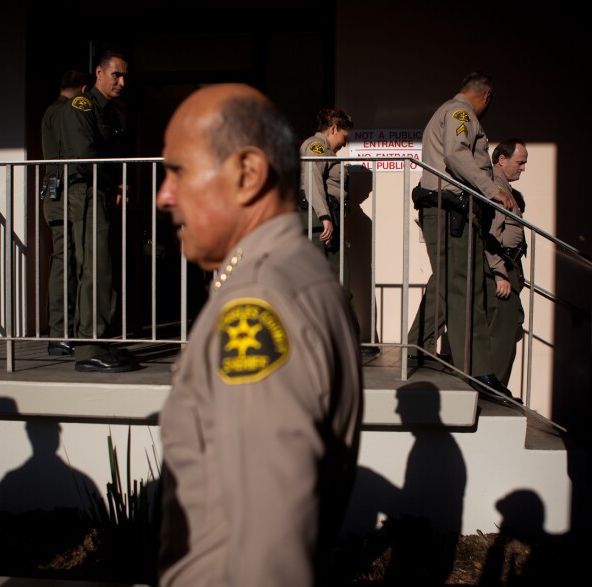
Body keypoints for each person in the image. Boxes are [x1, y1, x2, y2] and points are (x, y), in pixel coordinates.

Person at [155, 83, 364, 587]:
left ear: (248, 174)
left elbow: (269, 555)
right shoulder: (295, 275)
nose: (164, 195)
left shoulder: (259, 301)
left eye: (179, 171)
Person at [406, 71, 514, 399]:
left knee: (452, 284)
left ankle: (417, 347)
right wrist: (491, 189)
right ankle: (477, 370)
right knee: (466, 290)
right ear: (486, 95)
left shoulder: (450, 112)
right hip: (452, 211)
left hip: (452, 212)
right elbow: (457, 154)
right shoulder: (460, 113)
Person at [59, 50, 132, 373]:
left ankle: (99, 342)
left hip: (100, 192)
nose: (122, 82)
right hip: (88, 192)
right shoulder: (82, 106)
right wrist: (113, 183)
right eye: (116, 74)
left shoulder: (109, 110)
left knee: (104, 267)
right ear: (99, 73)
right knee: (95, 267)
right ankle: (88, 348)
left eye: (125, 76)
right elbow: (84, 155)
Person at [41, 70, 89, 357]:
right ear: (83, 89)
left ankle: (61, 332)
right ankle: (61, 333)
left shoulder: (51, 111)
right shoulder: (67, 111)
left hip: (56, 191)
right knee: (67, 261)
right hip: (65, 193)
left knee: (64, 259)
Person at [484, 139, 528, 388]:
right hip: (501, 263)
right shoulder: (496, 187)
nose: (523, 168)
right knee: (503, 329)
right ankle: (495, 386)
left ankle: (496, 384)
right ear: (502, 160)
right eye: (520, 162)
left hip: (509, 263)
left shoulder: (504, 188)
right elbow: (491, 233)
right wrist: (500, 272)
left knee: (508, 325)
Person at [299, 107, 353, 284]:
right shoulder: (317, 146)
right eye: (344, 137)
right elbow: (312, 180)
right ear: (333, 129)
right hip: (318, 217)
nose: (344, 143)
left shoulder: (327, 150)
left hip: (328, 216)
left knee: (339, 279)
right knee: (321, 279)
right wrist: (324, 216)